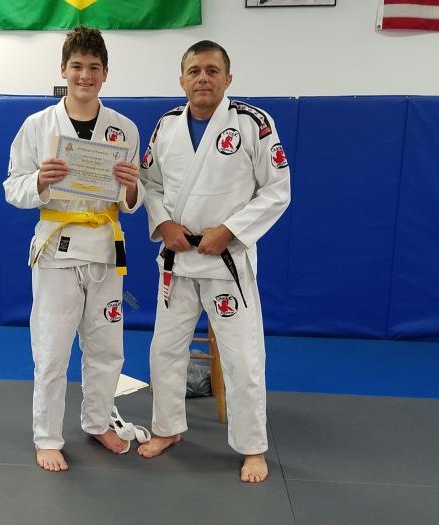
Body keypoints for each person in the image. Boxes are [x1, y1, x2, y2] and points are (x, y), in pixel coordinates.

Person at [137, 40, 290, 483]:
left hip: (226, 261)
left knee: (243, 358)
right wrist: (164, 223)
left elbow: (277, 190)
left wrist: (231, 230)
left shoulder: (253, 123)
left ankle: (252, 447)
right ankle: (167, 428)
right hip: (178, 259)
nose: (202, 78)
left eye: (211, 70)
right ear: (182, 79)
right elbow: (149, 183)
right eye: (194, 71)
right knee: (165, 350)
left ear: (228, 78)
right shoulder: (166, 126)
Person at [4, 26, 144, 473]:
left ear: (105, 74)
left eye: (94, 68)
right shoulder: (37, 126)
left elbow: (133, 200)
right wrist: (39, 181)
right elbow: (12, 187)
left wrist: (131, 187)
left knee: (107, 348)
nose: (85, 75)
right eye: (77, 66)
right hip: (56, 252)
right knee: (51, 349)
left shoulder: (124, 129)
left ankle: (98, 421)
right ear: (63, 69)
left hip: (105, 249)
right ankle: (47, 437)